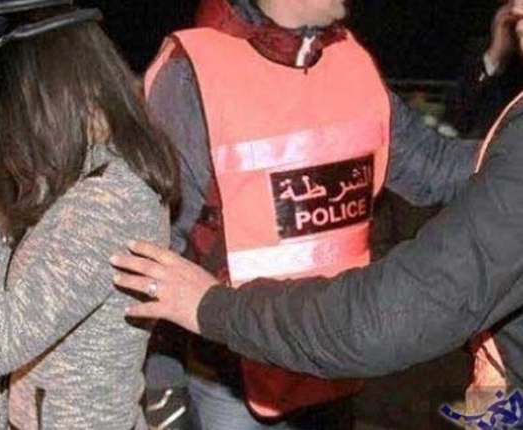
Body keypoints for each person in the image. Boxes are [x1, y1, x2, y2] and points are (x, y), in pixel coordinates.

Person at [111, 5, 523, 417]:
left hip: (335, 359)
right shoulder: (193, 73)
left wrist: (511, 150)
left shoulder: (351, 62)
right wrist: (159, 377)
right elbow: (155, 240)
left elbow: (434, 166)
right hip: (232, 374)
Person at [0, 8, 180, 430]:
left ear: (47, 100)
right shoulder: (85, 173)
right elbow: (14, 293)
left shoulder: (112, 200)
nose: (11, 133)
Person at [447, 0, 523, 139]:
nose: (516, 10)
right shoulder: (481, 52)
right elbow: (458, 118)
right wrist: (494, 56)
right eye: (512, 3)